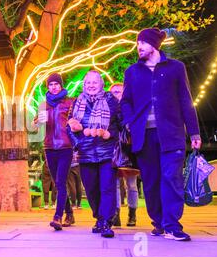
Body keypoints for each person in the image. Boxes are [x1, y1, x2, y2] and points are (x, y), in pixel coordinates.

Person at [121, 28, 201, 241]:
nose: (139, 47)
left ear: (155, 45)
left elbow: (186, 100)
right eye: (138, 43)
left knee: (171, 178)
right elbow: (126, 101)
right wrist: (129, 122)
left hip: (172, 134)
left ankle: (172, 225)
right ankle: (158, 222)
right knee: (151, 181)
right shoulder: (132, 72)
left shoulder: (176, 68)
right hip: (144, 136)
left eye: (143, 43)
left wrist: (194, 132)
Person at [68, 70, 120, 238]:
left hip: (107, 152)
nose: (91, 85)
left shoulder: (111, 100)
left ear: (101, 84)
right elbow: (70, 127)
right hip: (85, 152)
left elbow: (121, 124)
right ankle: (99, 217)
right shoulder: (77, 102)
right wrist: (78, 143)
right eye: (88, 82)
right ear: (84, 84)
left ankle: (106, 221)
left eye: (94, 82)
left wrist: (110, 135)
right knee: (91, 189)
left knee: (107, 188)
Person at [32, 73, 75, 230]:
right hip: (49, 147)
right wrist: (36, 122)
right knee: (58, 182)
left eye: (56, 84)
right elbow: (35, 123)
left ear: (61, 85)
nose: (54, 87)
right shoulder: (44, 104)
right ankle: (69, 213)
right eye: (51, 84)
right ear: (48, 87)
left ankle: (57, 217)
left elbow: (76, 120)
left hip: (66, 146)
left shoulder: (70, 102)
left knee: (60, 182)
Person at [109, 82, 140, 227]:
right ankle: (116, 214)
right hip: (114, 148)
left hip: (129, 148)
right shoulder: (109, 108)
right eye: (114, 92)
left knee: (131, 184)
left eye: (119, 91)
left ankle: (132, 214)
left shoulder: (131, 108)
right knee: (114, 184)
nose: (117, 94)